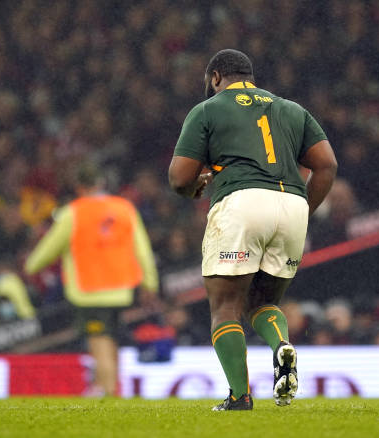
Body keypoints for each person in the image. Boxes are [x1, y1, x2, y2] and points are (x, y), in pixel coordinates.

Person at [169, 49, 337, 410]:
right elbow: (326, 165)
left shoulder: (208, 109)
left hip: (242, 202)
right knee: (263, 300)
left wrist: (194, 186)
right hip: (291, 205)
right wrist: (302, 210)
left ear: (216, 78)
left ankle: (240, 396)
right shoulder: (292, 110)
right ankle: (281, 347)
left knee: (226, 305)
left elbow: (179, 177)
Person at [24, 164, 158, 396]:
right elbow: (143, 250)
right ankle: (112, 392)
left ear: (79, 187)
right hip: (121, 288)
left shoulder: (72, 213)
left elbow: (49, 249)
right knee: (111, 338)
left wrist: (30, 266)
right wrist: (150, 283)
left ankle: (106, 392)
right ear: (102, 183)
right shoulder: (124, 208)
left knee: (99, 340)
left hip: (89, 289)